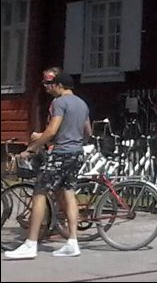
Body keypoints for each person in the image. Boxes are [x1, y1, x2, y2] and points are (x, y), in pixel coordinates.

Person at [3, 68, 91, 260]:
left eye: (54, 85)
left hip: (60, 153)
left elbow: (51, 131)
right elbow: (88, 131)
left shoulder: (59, 102)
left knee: (39, 192)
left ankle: (30, 243)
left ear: (59, 85)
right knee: (68, 193)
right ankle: (72, 242)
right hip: (76, 154)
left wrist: (33, 147)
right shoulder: (82, 104)